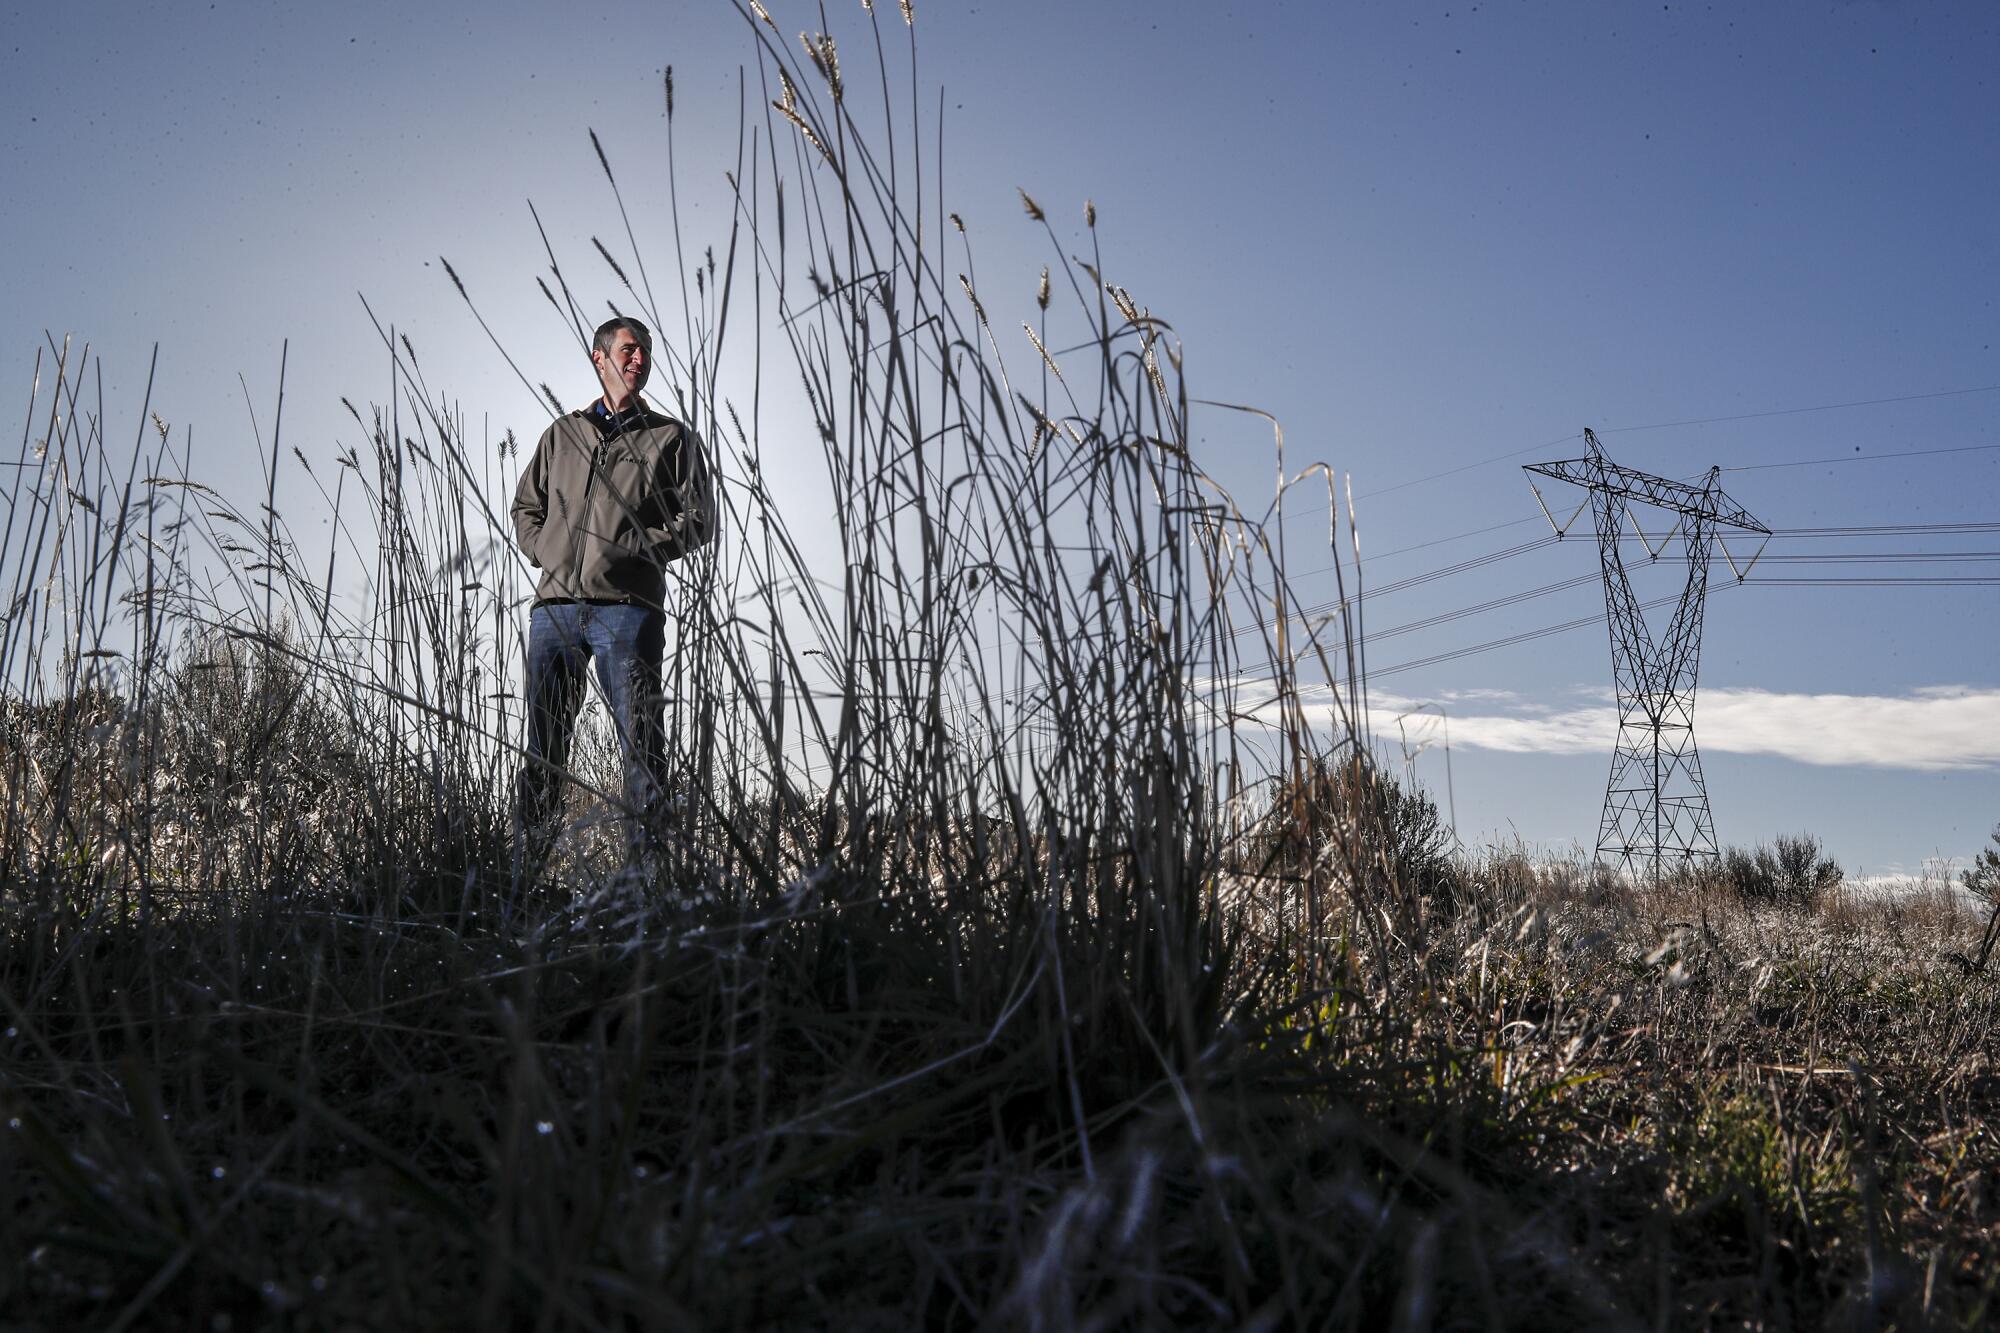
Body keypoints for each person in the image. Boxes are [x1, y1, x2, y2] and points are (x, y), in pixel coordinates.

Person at [509, 316, 712, 876]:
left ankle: (647, 888)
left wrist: (635, 548)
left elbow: (699, 519)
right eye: (628, 350)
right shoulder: (562, 434)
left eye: (645, 351)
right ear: (599, 358)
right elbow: (526, 508)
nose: (639, 360)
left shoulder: (670, 437)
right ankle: (523, 879)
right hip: (554, 611)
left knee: (642, 751)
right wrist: (550, 552)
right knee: (543, 749)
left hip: (627, 612)